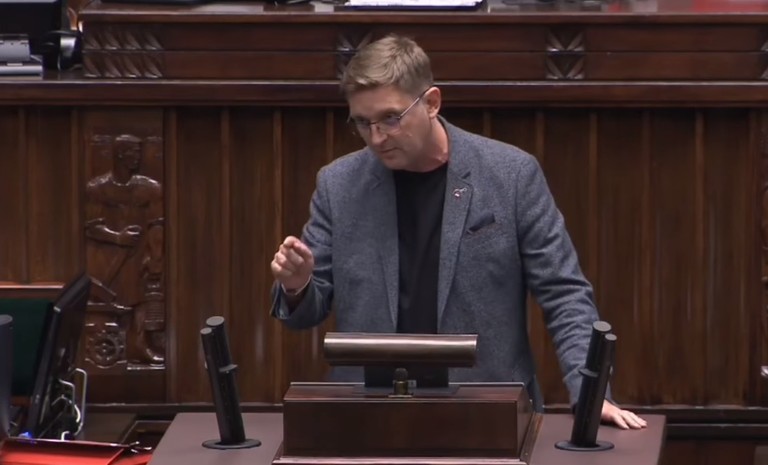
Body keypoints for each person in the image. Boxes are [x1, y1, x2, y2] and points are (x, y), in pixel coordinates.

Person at [270, 34, 645, 430]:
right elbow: (304, 313)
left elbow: (563, 291)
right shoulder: (339, 184)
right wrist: (297, 286)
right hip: (367, 416)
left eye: (391, 118)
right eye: (363, 123)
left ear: (431, 103)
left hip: (488, 413)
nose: (377, 137)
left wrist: (590, 393)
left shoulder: (511, 176)